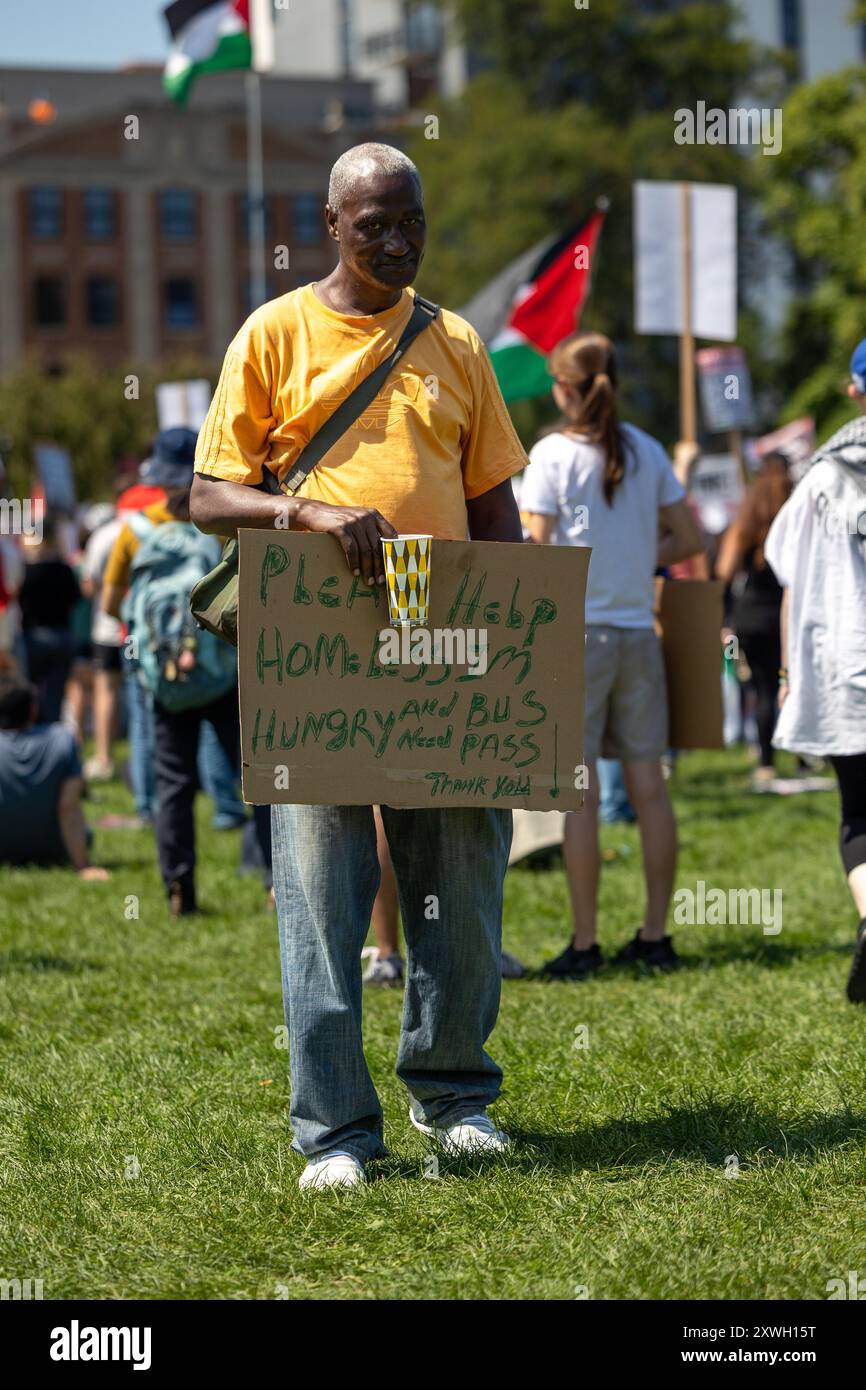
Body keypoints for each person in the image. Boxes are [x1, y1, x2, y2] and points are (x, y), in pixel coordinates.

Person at [190, 142, 528, 1191]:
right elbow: (207, 495)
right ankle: (334, 1131)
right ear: (330, 225)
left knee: (460, 878)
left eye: (409, 220)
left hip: (440, 630)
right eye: (373, 223)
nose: (395, 240)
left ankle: (454, 1093)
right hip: (316, 645)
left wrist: (517, 638)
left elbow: (493, 507)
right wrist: (306, 508)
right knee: (318, 889)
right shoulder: (274, 333)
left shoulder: (455, 341)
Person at [521, 332, 703, 978]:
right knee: (650, 788)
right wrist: (635, 560)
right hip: (637, 634)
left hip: (576, 635)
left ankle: (585, 942)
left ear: (567, 389)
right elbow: (691, 535)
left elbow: (537, 553)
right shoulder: (648, 449)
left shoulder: (548, 456)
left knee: (580, 794)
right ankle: (655, 936)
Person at [101, 428, 242, 916]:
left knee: (173, 784)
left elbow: (110, 604)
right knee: (258, 777)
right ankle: (270, 880)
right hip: (222, 671)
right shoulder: (222, 528)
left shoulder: (133, 530)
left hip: (165, 681)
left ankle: (180, 887)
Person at [765, 339, 866, 1003]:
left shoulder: (825, 477)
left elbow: (788, 570)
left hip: (843, 665)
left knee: (859, 810)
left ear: (854, 390)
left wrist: (785, 669)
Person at [715, 453, 793, 787]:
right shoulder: (795, 511)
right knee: (791, 684)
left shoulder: (748, 521)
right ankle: (804, 756)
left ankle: (766, 762)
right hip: (787, 612)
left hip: (751, 616)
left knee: (761, 688)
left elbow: (723, 571)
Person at [0, 670, 108, 877]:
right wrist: (83, 866)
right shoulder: (63, 740)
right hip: (55, 848)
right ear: (33, 709)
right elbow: (68, 807)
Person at [19, 517, 80, 723]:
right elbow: (75, 599)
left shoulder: (25, 571)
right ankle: (51, 734)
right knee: (56, 698)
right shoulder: (64, 569)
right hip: (62, 635)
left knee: (30, 694)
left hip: (33, 637)